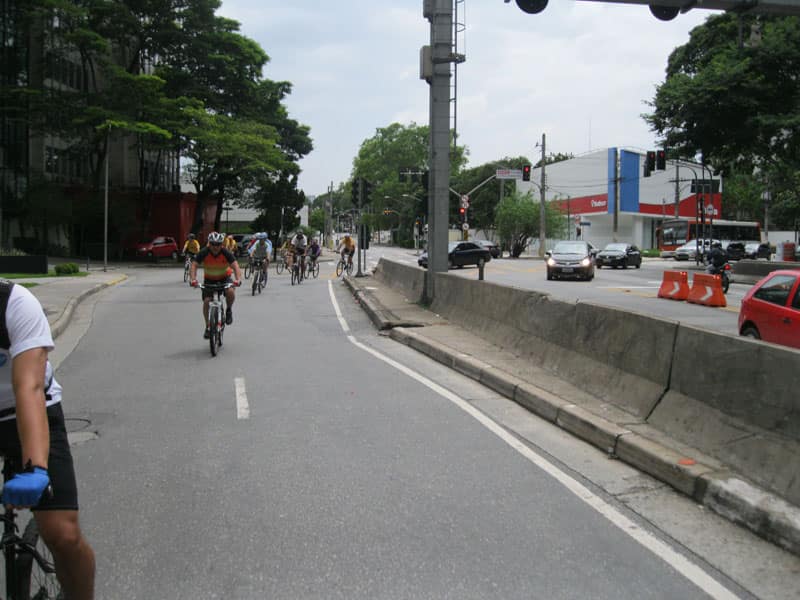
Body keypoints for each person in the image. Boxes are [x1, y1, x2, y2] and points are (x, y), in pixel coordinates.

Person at [0, 279, 95, 599]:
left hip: (27, 410)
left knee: (61, 532)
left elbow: (29, 387)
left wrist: (36, 468)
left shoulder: (14, 303)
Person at [190, 232, 242, 338]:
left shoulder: (225, 252)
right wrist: (193, 279)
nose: (215, 247)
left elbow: (235, 266)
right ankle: (208, 327)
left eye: (218, 244)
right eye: (212, 244)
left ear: (221, 244)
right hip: (209, 280)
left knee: (230, 291)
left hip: (224, 278)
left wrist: (238, 279)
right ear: (209, 244)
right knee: (207, 301)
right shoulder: (204, 252)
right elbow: (194, 265)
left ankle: (228, 310)